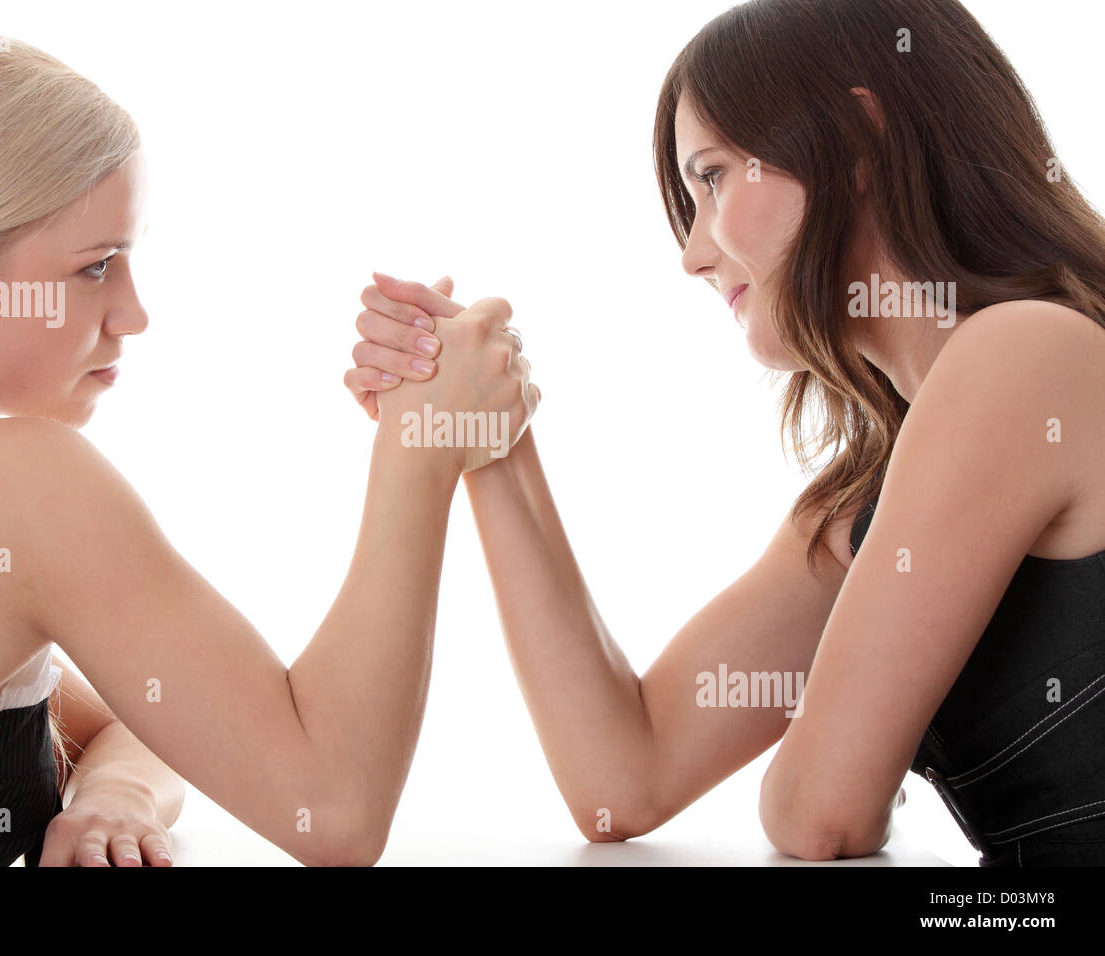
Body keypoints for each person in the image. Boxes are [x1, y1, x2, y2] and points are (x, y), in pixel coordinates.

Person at [345, 0, 1105, 866]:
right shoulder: (869, 501)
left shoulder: (1027, 353)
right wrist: (486, 428)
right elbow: (620, 779)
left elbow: (815, 812)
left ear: (860, 140)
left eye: (711, 178)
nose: (692, 254)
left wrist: (850, 749)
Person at [0, 31, 538, 866]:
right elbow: (332, 807)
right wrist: (422, 440)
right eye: (95, 267)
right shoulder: (15, 484)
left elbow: (125, 715)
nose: (133, 312)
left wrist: (112, 795)